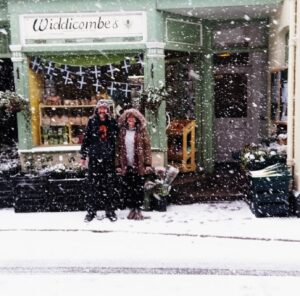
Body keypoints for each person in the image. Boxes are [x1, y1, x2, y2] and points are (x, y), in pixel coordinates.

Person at [80, 99, 118, 222]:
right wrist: (83, 157)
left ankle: (110, 210)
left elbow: (117, 139)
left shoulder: (112, 121)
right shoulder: (92, 121)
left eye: (105, 108)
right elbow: (86, 139)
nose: (102, 110)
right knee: (92, 186)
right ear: (97, 109)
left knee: (109, 185)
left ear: (107, 110)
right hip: (95, 158)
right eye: (100, 108)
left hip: (108, 158)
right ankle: (91, 211)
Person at [116, 108, 152, 220]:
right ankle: (132, 209)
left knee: (138, 187)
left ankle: (138, 209)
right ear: (126, 120)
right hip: (126, 164)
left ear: (136, 119)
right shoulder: (122, 131)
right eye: (129, 118)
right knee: (129, 187)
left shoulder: (141, 131)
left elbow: (147, 148)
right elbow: (117, 149)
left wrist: (147, 163)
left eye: (133, 118)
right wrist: (117, 165)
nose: (131, 120)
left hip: (139, 165)